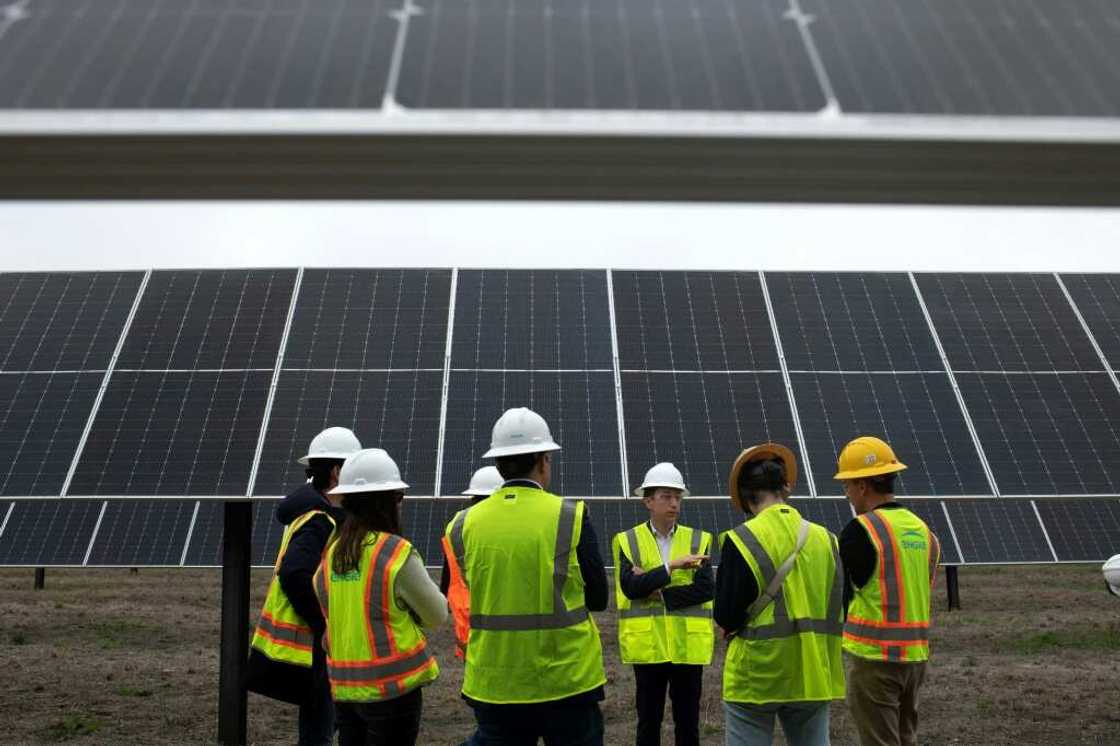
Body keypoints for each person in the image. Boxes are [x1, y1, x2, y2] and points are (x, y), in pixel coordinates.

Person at [445, 406, 609, 745]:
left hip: (494, 682)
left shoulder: (462, 525)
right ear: (543, 460)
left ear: (498, 464)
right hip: (568, 681)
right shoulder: (571, 516)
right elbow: (598, 598)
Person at [313, 448, 447, 746]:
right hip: (393, 692)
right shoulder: (394, 552)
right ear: (388, 501)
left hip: (346, 689)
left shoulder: (332, 552)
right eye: (398, 497)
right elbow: (437, 614)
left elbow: (326, 607)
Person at [715, 443, 845, 746]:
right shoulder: (827, 539)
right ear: (786, 487)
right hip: (813, 671)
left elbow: (726, 614)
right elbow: (842, 604)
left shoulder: (742, 539)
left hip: (757, 676)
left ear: (745, 497)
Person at [247, 426, 362, 746]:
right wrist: (322, 623)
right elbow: (295, 574)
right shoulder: (318, 519)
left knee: (321, 723)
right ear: (338, 472)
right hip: (311, 637)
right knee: (319, 730)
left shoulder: (313, 512)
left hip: (308, 638)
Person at [836, 436, 940, 746]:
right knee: (906, 737)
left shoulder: (860, 530)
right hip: (915, 658)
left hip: (875, 659)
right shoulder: (925, 532)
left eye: (848, 485)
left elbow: (845, 593)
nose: (848, 493)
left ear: (863, 486)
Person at [613, 462, 714, 746]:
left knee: (688, 726)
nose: (674, 504)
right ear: (648, 501)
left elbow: (706, 589)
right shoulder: (627, 541)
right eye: (666, 496)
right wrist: (672, 567)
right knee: (648, 724)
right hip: (649, 649)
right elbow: (631, 588)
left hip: (687, 648)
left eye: (678, 497)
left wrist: (659, 591)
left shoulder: (699, 539)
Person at [441, 465, 505, 659]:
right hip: (504, 629)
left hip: (467, 630)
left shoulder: (455, 529)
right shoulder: (509, 532)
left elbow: (447, 581)